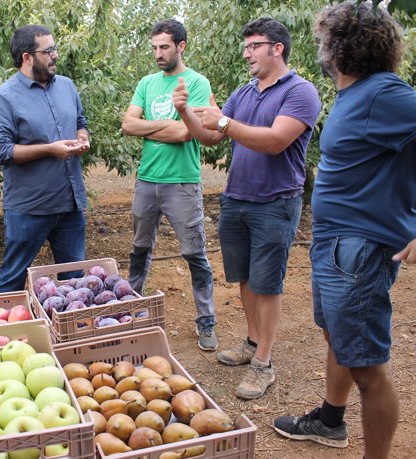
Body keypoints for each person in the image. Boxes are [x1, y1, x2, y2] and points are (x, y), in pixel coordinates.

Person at [273, 3, 416, 457]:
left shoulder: (383, 94)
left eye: (323, 40)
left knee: (368, 371)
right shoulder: (360, 93)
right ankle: (330, 420)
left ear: (337, 46)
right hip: (336, 245)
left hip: (358, 249)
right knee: (337, 336)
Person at [173, 17, 321, 399]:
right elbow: (210, 138)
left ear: (277, 48)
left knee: (268, 285)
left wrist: (223, 119)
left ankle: (264, 364)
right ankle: (253, 343)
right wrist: (188, 112)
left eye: (254, 45)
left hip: (275, 203)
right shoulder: (244, 92)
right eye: (246, 47)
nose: (246, 53)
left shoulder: (300, 92)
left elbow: (275, 141)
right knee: (246, 279)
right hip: (237, 198)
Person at [121, 19, 218, 351]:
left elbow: (185, 133)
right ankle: (131, 308)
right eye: (154, 48)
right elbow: (127, 125)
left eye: (164, 47)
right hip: (147, 180)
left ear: (181, 46)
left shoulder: (196, 83)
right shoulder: (147, 83)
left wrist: (151, 126)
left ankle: (206, 321)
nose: (158, 54)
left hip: (182, 183)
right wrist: (167, 123)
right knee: (139, 249)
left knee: (195, 254)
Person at [0, 25, 90, 293]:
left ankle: (70, 332)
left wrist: (82, 136)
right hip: (29, 208)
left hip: (70, 204)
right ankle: (5, 331)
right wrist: (49, 149)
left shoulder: (67, 86)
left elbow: (80, 121)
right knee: (13, 278)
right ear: (26, 57)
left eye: (55, 49)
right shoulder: (4, 98)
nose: (55, 55)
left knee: (74, 279)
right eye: (48, 50)